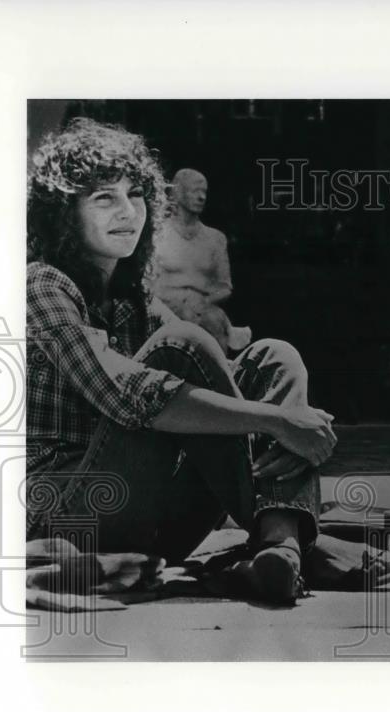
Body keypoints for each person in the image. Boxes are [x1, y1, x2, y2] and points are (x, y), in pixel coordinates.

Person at [26, 118, 336, 603]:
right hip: (74, 515)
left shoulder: (134, 297)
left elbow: (226, 382)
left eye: (136, 194)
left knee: (276, 358)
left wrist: (286, 414)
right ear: (62, 213)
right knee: (182, 345)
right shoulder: (42, 285)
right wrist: (281, 421)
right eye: (104, 198)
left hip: (154, 523)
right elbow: (122, 392)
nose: (128, 212)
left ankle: (281, 548)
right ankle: (289, 540)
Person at [149, 168, 251, 353]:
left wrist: (200, 302)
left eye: (204, 191)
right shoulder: (156, 234)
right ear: (178, 193)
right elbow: (145, 283)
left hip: (204, 316)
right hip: (162, 314)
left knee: (213, 324)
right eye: (195, 190)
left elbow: (225, 287)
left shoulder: (215, 239)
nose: (202, 197)